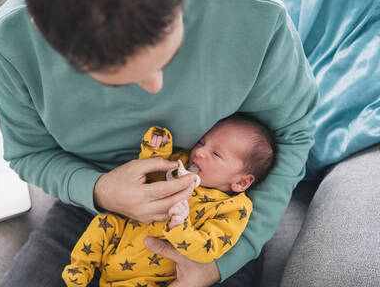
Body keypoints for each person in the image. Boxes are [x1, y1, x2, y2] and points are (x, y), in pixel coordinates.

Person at [0, 0, 318, 286]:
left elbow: (293, 133)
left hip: (209, 223)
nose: (154, 86)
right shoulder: (12, 39)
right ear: (47, 32)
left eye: (165, 55)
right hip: (93, 212)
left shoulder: (250, 6)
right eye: (119, 73)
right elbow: (30, 152)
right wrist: (100, 190)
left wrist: (221, 264)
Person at [62, 115, 276, 287]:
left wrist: (181, 227)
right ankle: (81, 267)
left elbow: (209, 249)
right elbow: (150, 174)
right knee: (104, 222)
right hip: (120, 236)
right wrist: (157, 146)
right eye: (202, 142)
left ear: (241, 182)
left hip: (146, 276)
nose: (199, 152)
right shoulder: (180, 163)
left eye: (216, 154)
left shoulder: (233, 209)